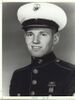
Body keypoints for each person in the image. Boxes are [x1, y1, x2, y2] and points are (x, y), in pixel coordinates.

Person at [9, 3, 75, 96]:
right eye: (30, 34)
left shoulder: (71, 74)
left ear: (55, 38)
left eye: (43, 34)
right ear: (25, 37)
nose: (35, 41)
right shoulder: (18, 76)